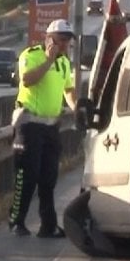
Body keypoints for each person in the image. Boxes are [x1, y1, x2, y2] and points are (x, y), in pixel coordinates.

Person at [9, 19, 78, 238]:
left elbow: (68, 90)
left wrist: (78, 108)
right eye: (61, 40)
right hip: (29, 124)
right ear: (49, 39)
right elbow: (28, 80)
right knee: (27, 175)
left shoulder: (64, 63)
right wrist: (48, 60)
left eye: (67, 41)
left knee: (49, 177)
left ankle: (48, 225)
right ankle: (16, 221)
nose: (65, 45)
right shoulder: (31, 55)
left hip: (50, 126)